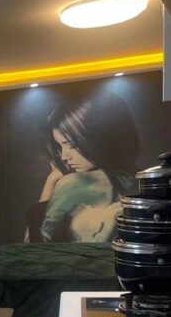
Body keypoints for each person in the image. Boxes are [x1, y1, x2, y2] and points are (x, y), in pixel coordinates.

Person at [25, 93, 139, 242]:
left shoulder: (73, 183)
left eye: (71, 145)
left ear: (99, 137)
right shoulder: (136, 180)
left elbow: (31, 245)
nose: (64, 156)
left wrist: (51, 180)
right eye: (60, 147)